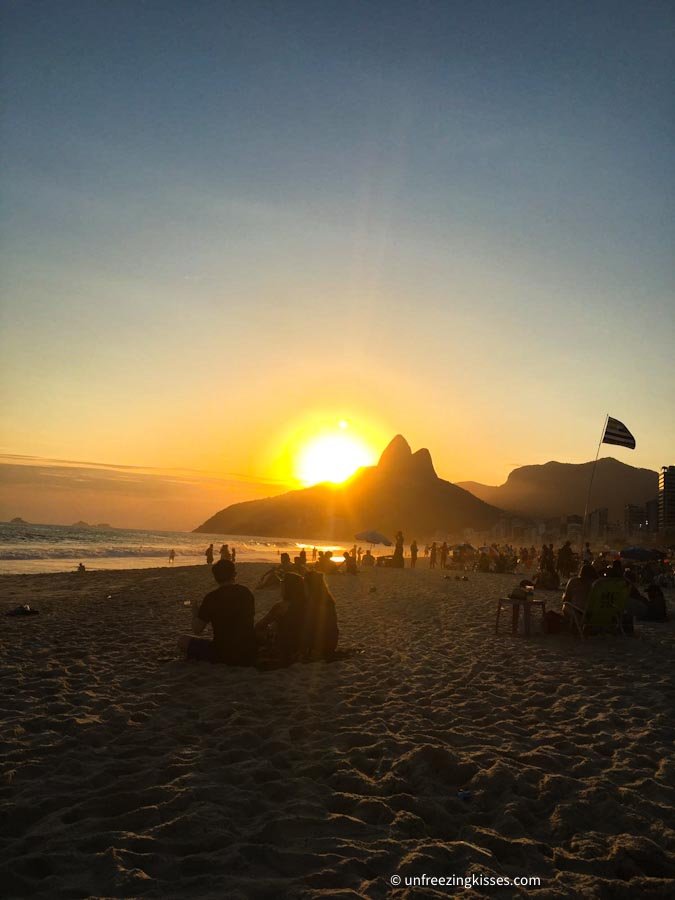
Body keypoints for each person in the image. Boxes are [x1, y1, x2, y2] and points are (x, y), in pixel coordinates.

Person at [178, 559, 256, 665]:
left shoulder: (211, 598)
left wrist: (195, 612)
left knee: (183, 640)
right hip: (247, 651)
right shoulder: (246, 592)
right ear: (234, 574)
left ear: (215, 578)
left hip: (222, 653)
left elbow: (197, 629)